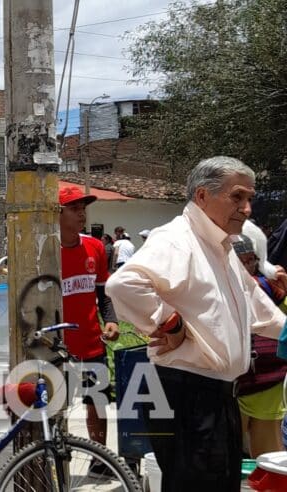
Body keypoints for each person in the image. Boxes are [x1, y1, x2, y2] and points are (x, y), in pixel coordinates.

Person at [107, 156, 287, 491]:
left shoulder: (219, 246)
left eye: (249, 198)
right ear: (202, 196)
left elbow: (253, 304)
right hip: (186, 393)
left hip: (217, 395)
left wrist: (285, 330)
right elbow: (123, 284)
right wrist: (170, 322)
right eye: (237, 197)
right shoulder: (177, 239)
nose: (247, 209)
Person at [57, 186, 121, 473]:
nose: (82, 213)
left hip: (91, 344)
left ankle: (101, 459)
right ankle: (56, 456)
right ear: (57, 213)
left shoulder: (95, 247)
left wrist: (112, 319)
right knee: (57, 409)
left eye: (84, 207)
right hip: (57, 347)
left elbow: (103, 293)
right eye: (74, 208)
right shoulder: (45, 251)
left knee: (97, 404)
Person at [232, 230, 287, 458]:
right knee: (224, 456)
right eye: (241, 261)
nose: (248, 266)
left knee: (269, 457)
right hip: (233, 385)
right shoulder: (216, 288)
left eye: (251, 260)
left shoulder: (271, 288)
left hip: (269, 382)